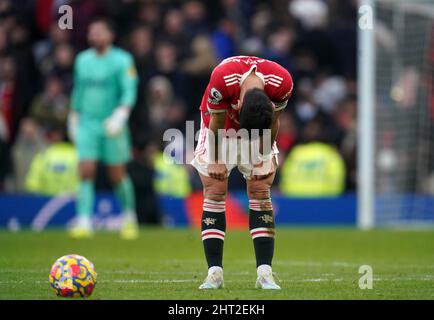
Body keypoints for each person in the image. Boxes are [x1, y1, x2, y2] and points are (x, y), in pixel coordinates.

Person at [190, 56, 294, 289]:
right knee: (215, 190)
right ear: (236, 105)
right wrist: (216, 159)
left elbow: (274, 121)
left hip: (260, 130)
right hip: (219, 125)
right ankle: (214, 274)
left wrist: (262, 157)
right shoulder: (222, 79)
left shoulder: (282, 82)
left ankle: (265, 274)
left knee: (260, 188)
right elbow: (215, 122)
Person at [68, 18, 139, 240]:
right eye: (91, 32)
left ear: (110, 35)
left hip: (112, 122)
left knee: (116, 173)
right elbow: (78, 89)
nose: (94, 36)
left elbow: (129, 89)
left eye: (98, 32)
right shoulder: (82, 60)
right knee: (85, 170)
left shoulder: (123, 60)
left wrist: (121, 115)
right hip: (88, 122)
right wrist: (73, 115)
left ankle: (129, 217)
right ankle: (84, 220)